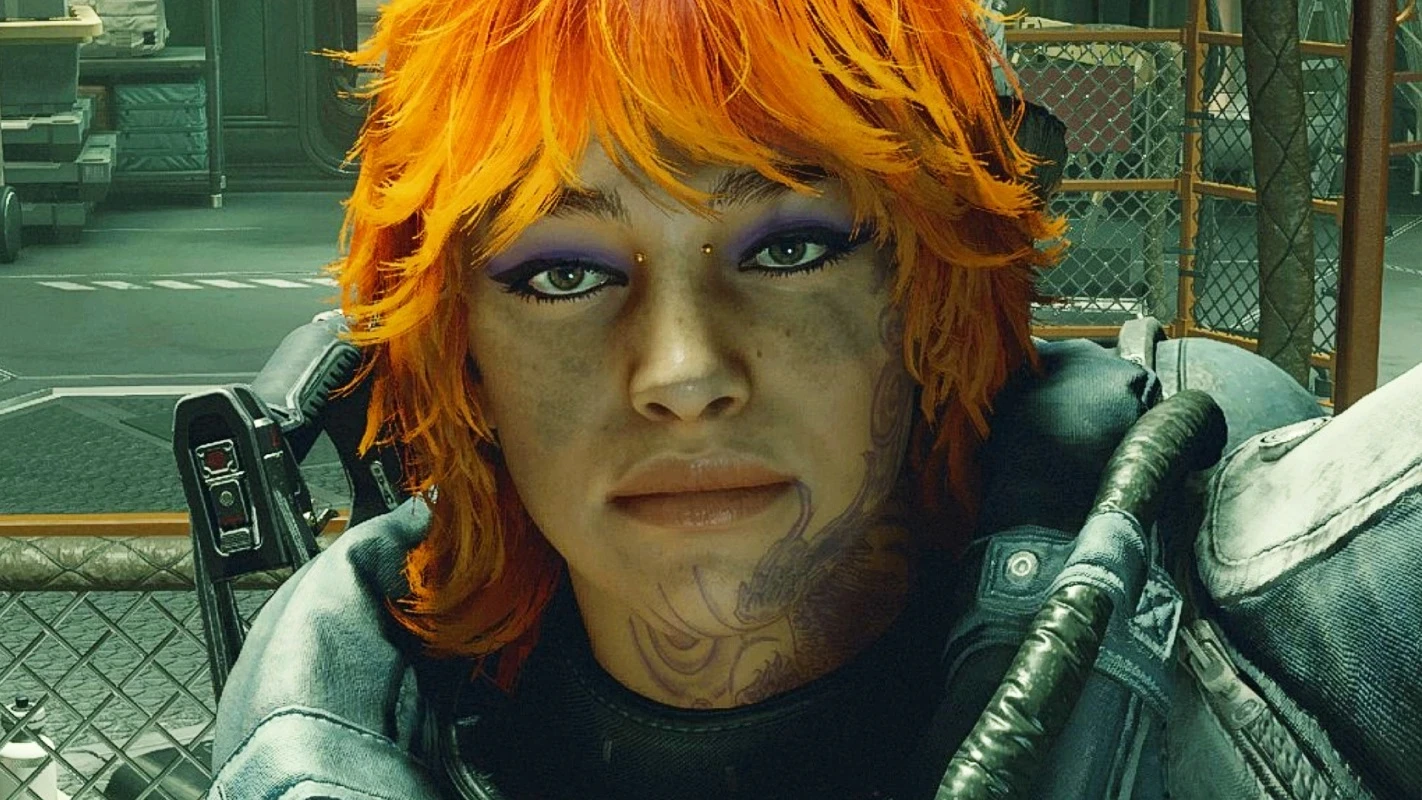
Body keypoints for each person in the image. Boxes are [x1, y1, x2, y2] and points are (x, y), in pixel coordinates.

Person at [207, 0, 1422, 798]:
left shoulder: (1278, 629)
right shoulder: (335, 736)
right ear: (458, 347)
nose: (684, 371)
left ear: (934, 294)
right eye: (565, 272)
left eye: (788, 249)